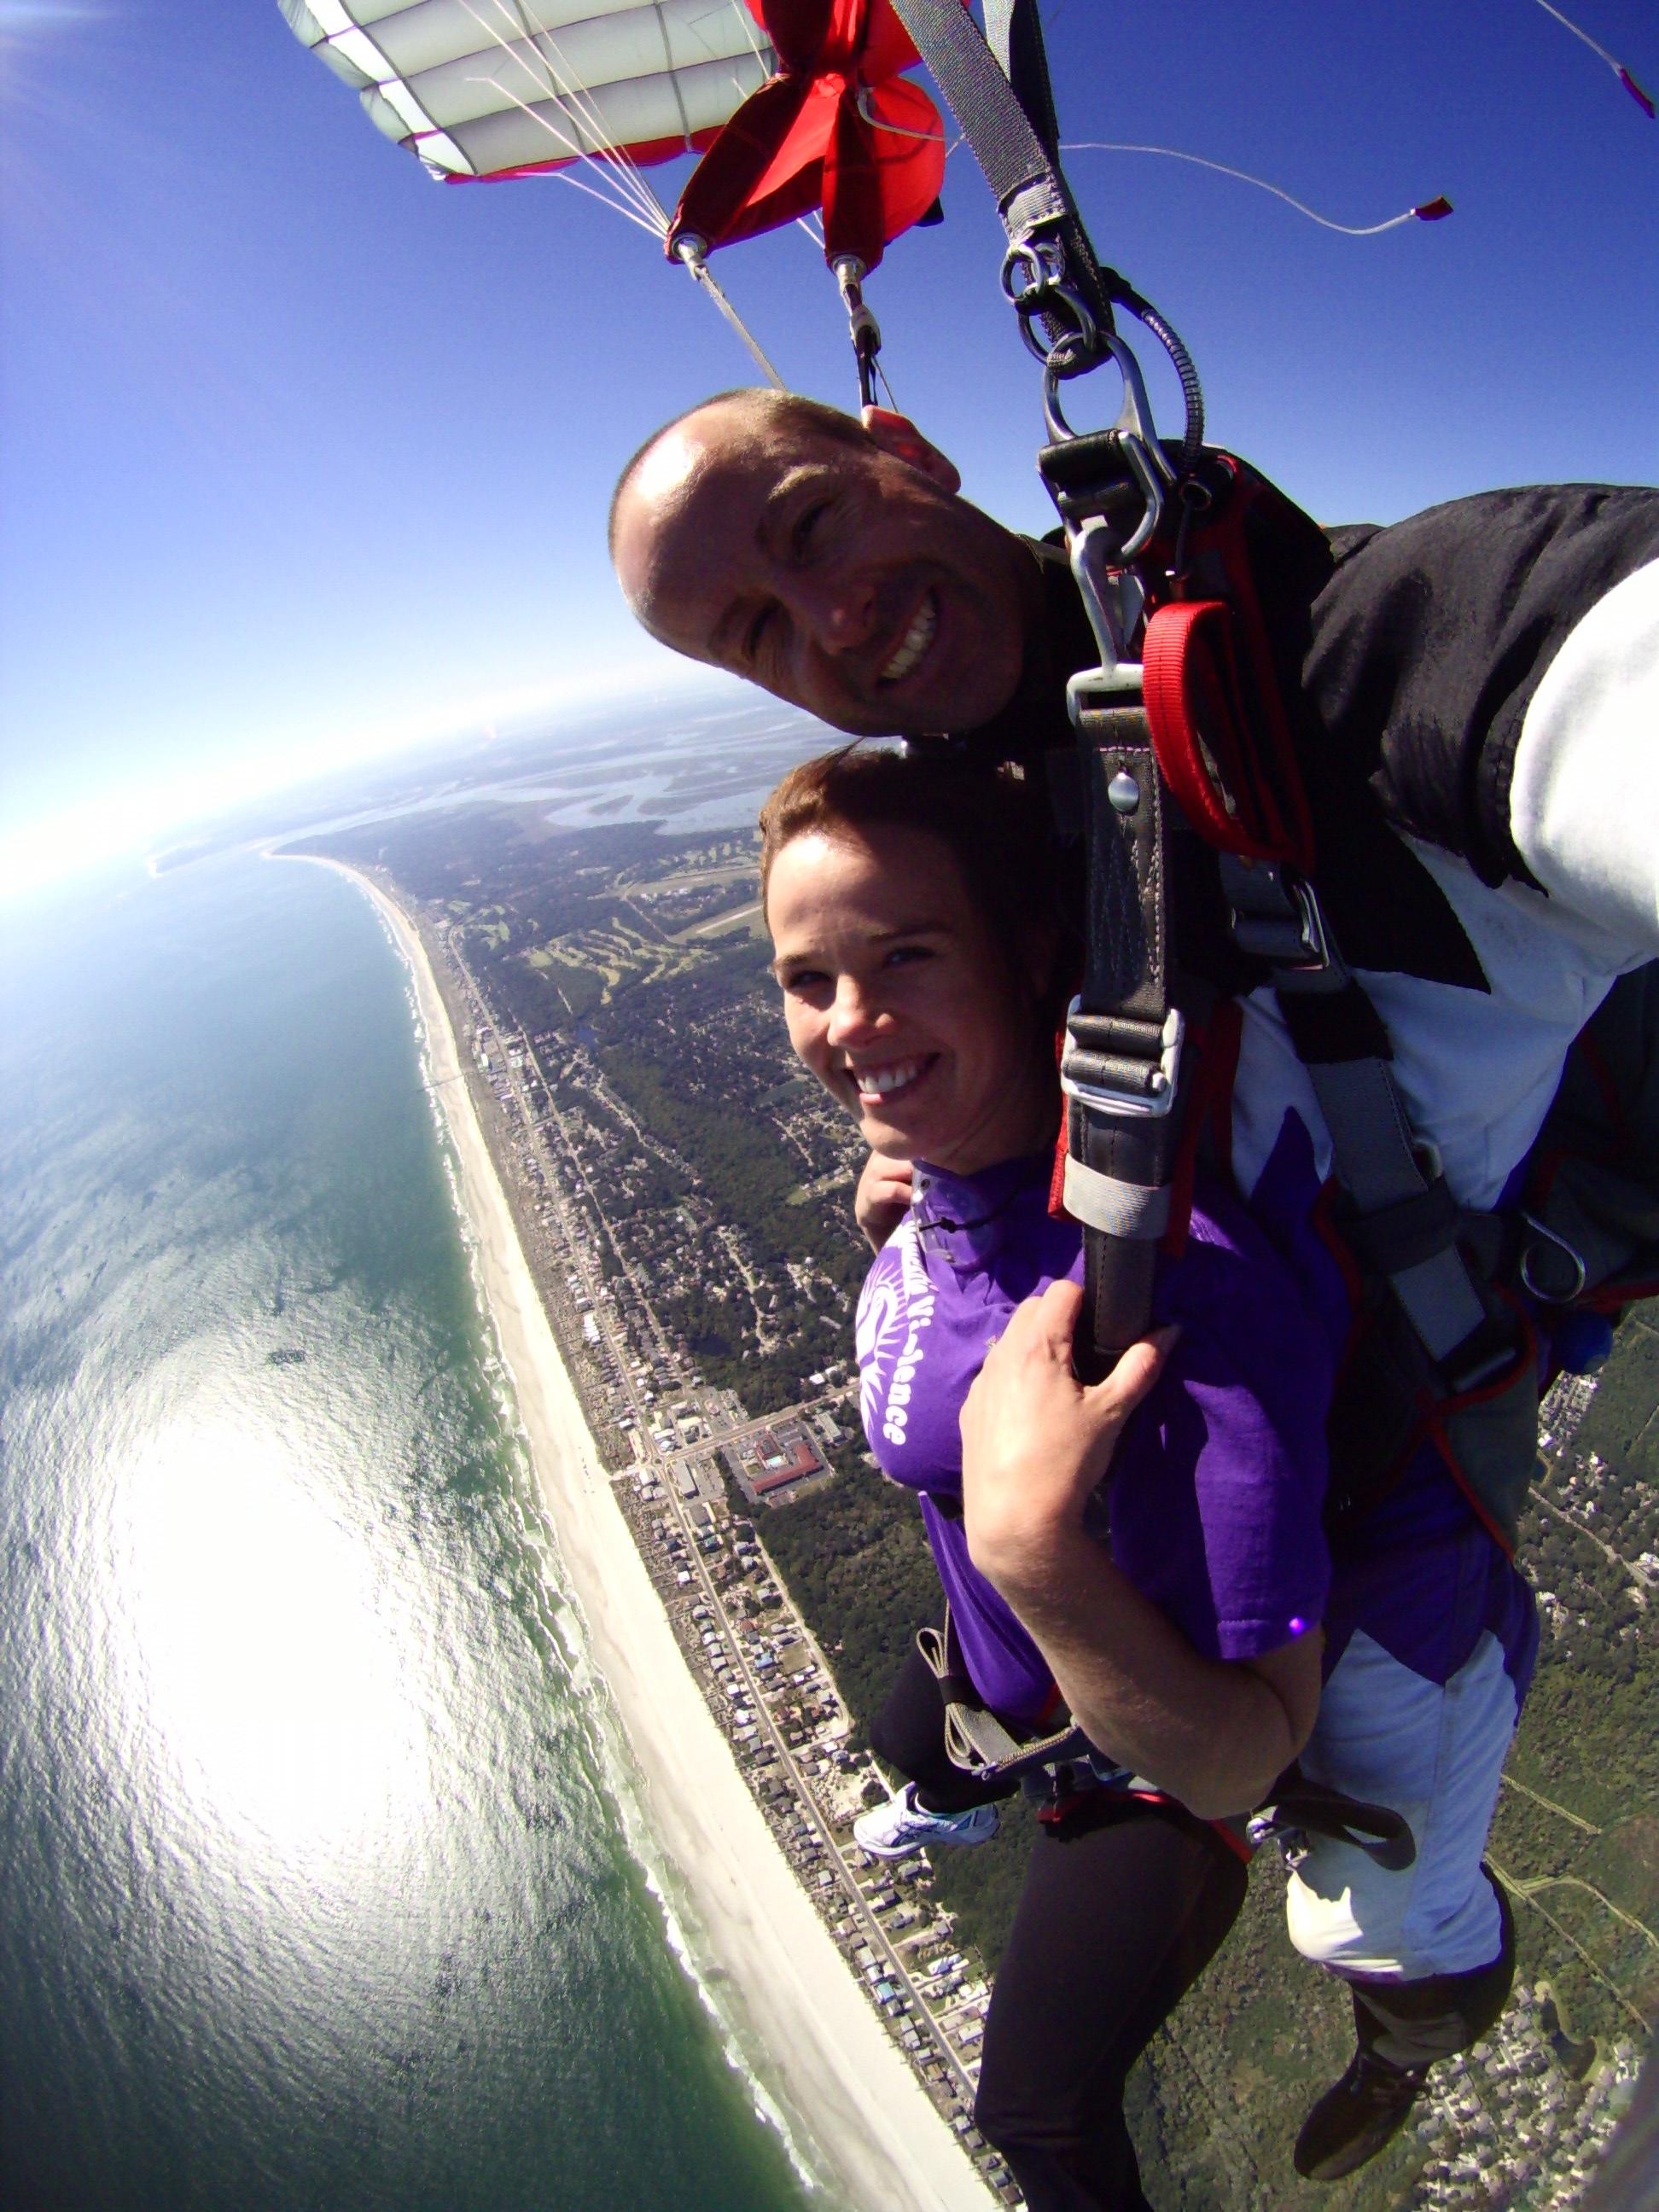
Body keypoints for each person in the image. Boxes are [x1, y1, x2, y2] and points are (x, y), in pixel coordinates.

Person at [758, 743, 1534, 2205]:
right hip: (1005, 1658)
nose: (851, 1023)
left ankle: (1421, 2018)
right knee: (906, 1740)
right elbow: (967, 1356)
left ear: (1027, 955)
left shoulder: (1172, 1299)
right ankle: (946, 1779)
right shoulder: (944, 1189)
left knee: (1035, 2111)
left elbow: (1243, 1751)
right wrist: (915, 1231)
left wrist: (1035, 1555)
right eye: (810, 978)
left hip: (1141, 1759)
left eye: (907, 958)